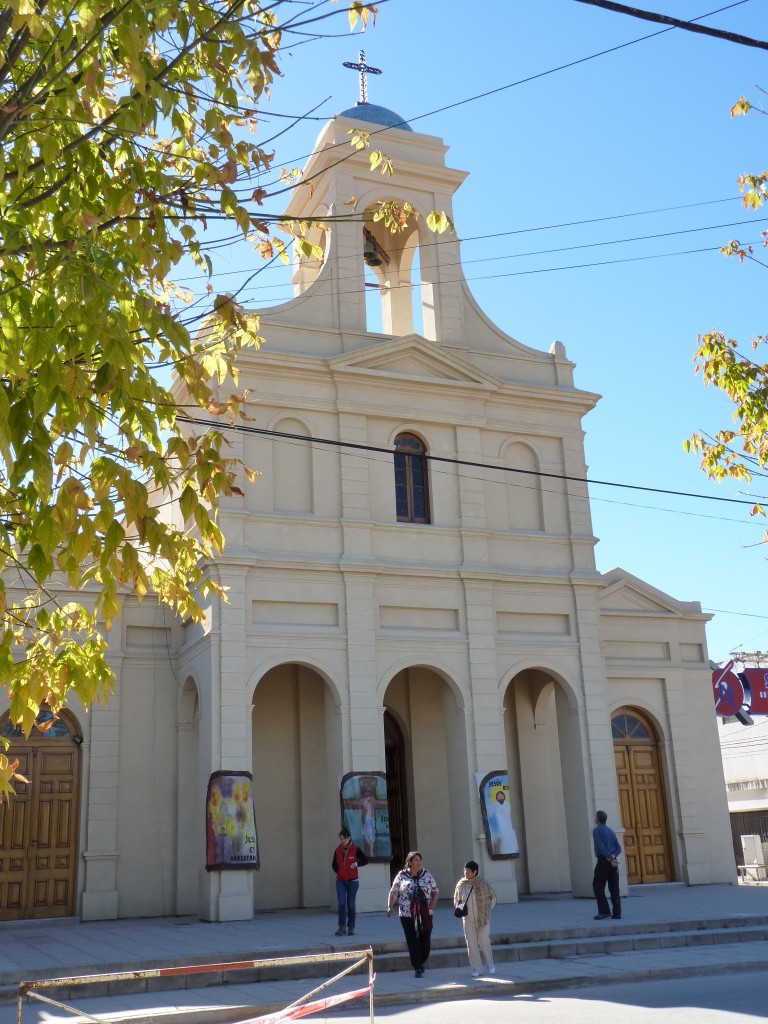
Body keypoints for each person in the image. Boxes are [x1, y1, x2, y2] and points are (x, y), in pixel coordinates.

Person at [386, 851, 439, 977]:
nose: (418, 862)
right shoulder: (401, 875)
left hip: (425, 913)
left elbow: (435, 890)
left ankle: (422, 959)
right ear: (409, 862)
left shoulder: (426, 874)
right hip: (407, 914)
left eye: (420, 860)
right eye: (416, 860)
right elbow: (393, 892)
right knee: (412, 940)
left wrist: (433, 903)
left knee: (425, 939)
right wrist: (390, 907)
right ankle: (417, 967)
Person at [453, 860, 496, 977]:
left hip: (482, 918)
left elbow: (492, 897)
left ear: (474, 872)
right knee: (471, 944)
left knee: (484, 941)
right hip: (468, 919)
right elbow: (457, 899)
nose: (465, 872)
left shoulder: (483, 883)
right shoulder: (461, 884)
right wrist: (458, 907)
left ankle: (490, 965)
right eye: (464, 870)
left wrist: (487, 909)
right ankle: (476, 968)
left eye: (467, 870)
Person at [332, 827, 368, 936]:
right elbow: (334, 864)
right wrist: (339, 872)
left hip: (353, 881)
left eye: (344, 838)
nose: (342, 841)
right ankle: (341, 927)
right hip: (341, 881)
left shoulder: (355, 849)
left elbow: (365, 860)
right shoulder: (338, 850)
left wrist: (356, 864)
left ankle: (351, 927)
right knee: (342, 903)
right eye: (341, 839)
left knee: (351, 904)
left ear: (349, 838)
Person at [592, 809, 621, 920]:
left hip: (604, 861)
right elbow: (618, 848)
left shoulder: (597, 831)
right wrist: (613, 857)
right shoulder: (611, 831)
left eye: (595, 817)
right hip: (613, 863)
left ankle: (604, 911)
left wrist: (609, 857)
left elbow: (601, 846)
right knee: (614, 888)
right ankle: (617, 913)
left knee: (598, 886)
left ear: (597, 820)